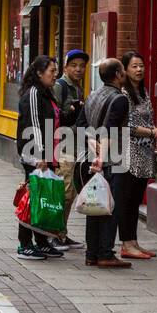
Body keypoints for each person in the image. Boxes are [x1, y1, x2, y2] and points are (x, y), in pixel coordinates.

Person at [77, 58, 133, 268]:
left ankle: (91, 253)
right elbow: (110, 129)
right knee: (110, 207)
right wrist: (103, 157)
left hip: (94, 160)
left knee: (94, 206)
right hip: (112, 162)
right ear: (118, 74)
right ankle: (105, 254)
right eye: (123, 70)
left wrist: (93, 146)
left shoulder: (92, 95)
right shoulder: (120, 99)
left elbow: (81, 125)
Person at [14, 55, 64, 261]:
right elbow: (33, 125)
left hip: (48, 155)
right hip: (36, 157)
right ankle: (24, 244)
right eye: (52, 71)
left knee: (43, 198)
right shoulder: (33, 94)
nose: (55, 75)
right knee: (32, 200)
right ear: (39, 73)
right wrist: (38, 157)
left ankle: (41, 243)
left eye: (55, 71)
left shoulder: (45, 94)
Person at [117, 51, 157, 259]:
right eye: (134, 66)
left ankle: (134, 241)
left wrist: (154, 130)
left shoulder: (143, 91)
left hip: (144, 153)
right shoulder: (124, 94)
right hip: (129, 154)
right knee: (127, 199)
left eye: (141, 66)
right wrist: (152, 132)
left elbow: (147, 119)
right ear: (125, 70)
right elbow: (127, 126)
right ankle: (126, 244)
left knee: (136, 198)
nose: (139, 70)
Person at [51, 49, 89, 251]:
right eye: (74, 65)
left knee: (70, 192)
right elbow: (55, 116)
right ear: (65, 67)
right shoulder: (60, 86)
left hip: (76, 147)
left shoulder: (76, 88)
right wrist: (72, 112)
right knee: (64, 193)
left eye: (82, 66)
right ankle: (54, 235)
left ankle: (61, 233)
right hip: (63, 147)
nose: (79, 69)